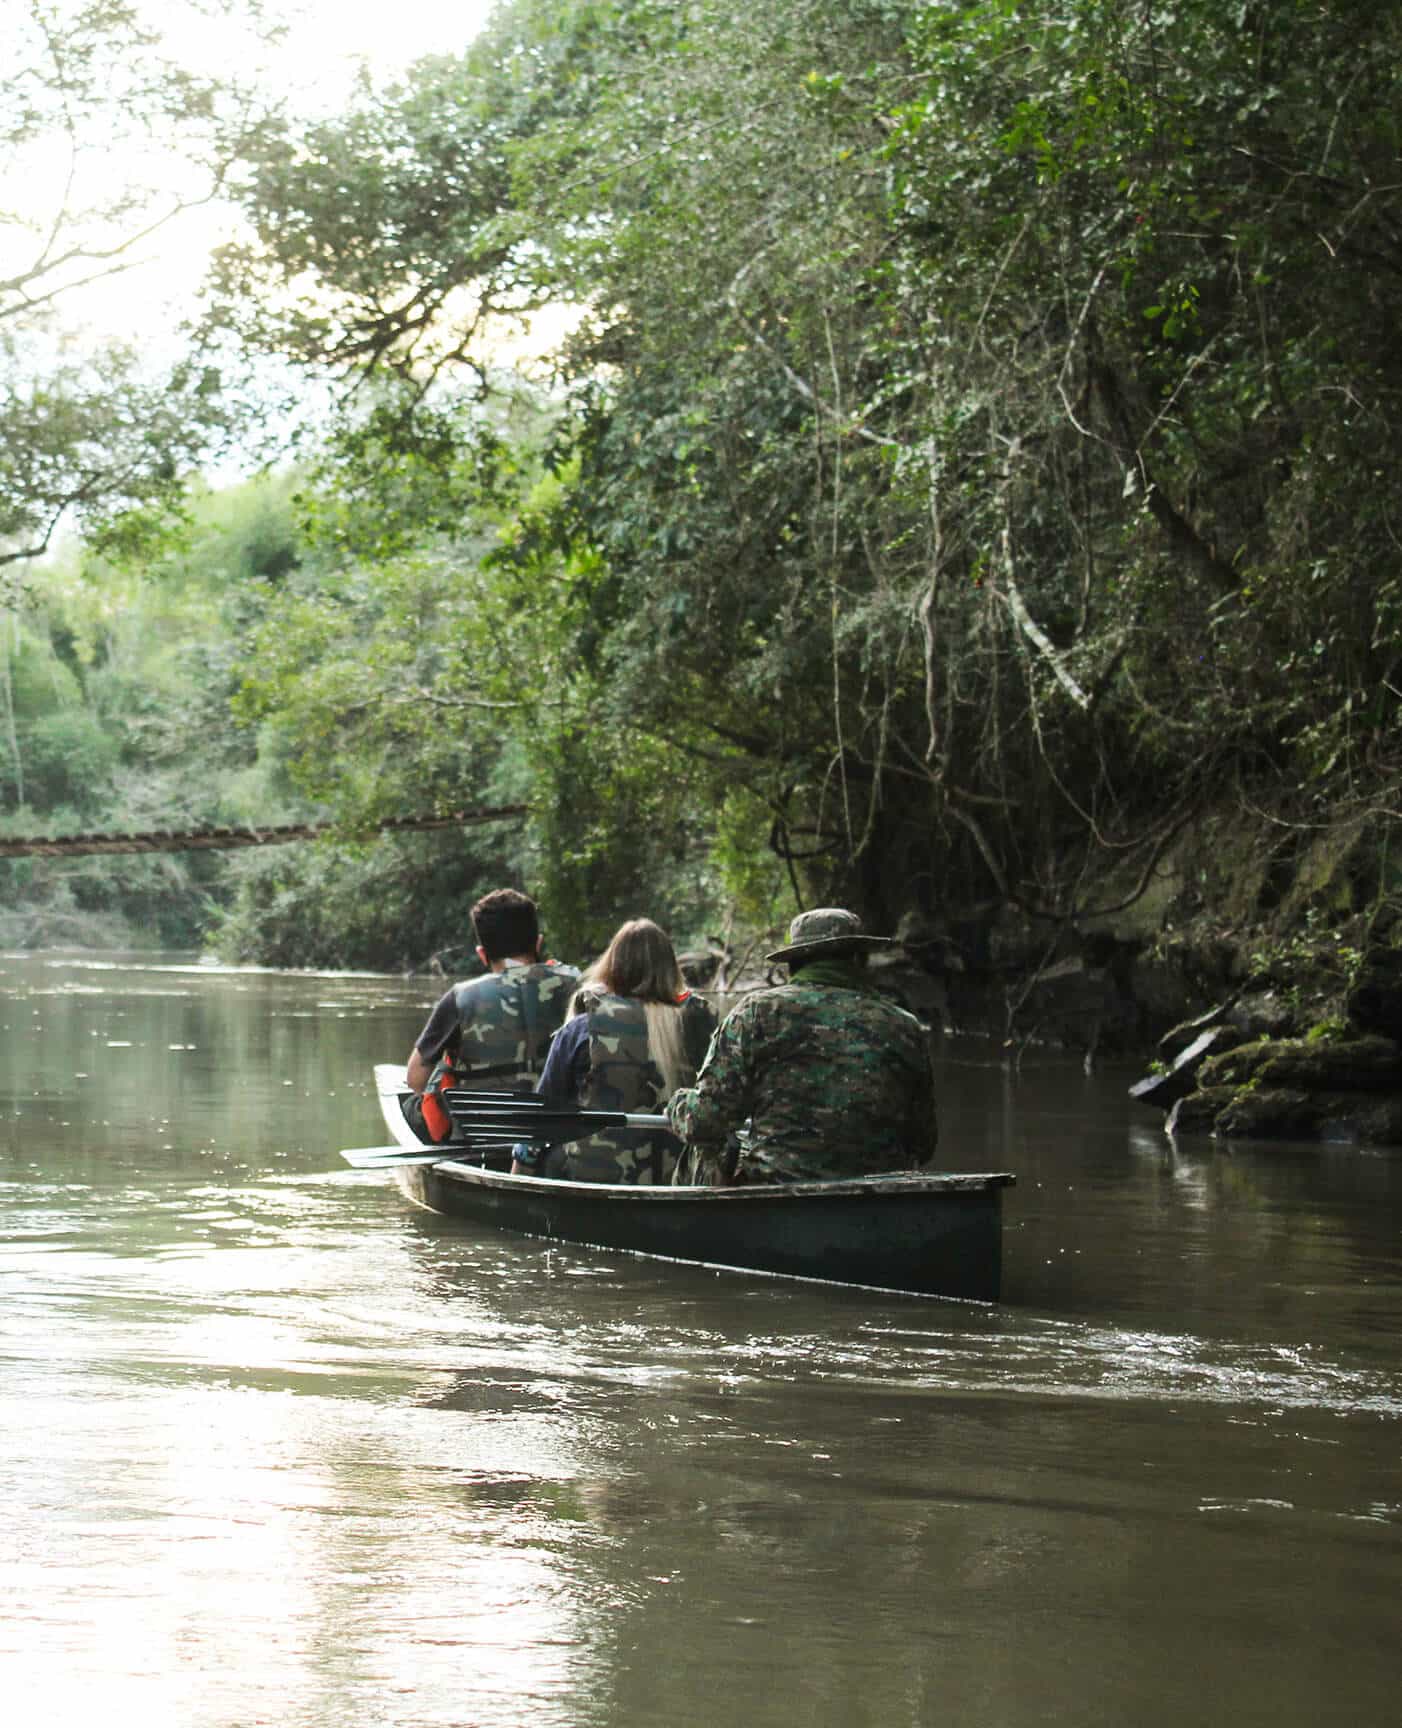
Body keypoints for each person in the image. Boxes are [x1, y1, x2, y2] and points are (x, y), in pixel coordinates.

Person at [665, 906, 937, 1184]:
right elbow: (924, 1142)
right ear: (860, 960)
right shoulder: (904, 1026)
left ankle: (693, 1225)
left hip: (777, 1192)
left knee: (705, 1146)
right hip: (880, 1195)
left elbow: (705, 1120)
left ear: (793, 963)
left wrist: (677, 1105)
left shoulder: (757, 1012)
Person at [520, 917, 717, 1183]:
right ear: (671, 969)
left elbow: (539, 1119)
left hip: (595, 1176)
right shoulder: (702, 1025)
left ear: (612, 967)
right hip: (681, 1177)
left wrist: (517, 1172)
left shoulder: (581, 1028)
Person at [402, 888, 580, 1144]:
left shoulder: (460, 997)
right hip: (559, 1136)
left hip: (481, 1138)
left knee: (413, 1106)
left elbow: (415, 1078)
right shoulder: (580, 985)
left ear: (482, 954)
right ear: (538, 943)